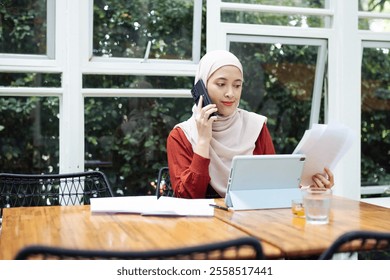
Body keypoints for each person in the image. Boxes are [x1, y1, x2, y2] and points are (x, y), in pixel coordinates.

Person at [166, 50, 334, 199]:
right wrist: (203, 141)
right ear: (201, 86)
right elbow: (188, 197)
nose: (231, 93)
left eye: (237, 85)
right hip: (202, 230)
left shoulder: (256, 127)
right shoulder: (181, 135)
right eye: (221, 84)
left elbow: (274, 185)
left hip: (252, 222)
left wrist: (310, 189)